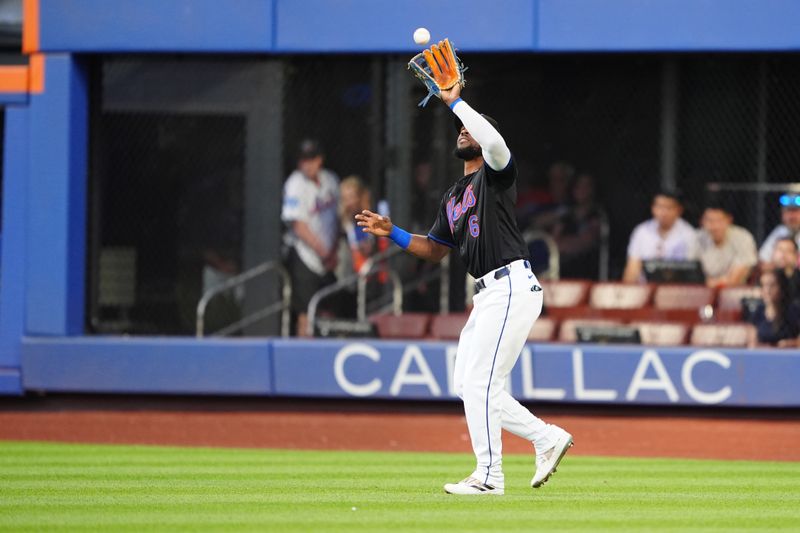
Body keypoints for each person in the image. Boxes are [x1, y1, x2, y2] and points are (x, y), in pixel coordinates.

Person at [356, 82, 572, 496]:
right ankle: (545, 438)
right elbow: (435, 250)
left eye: (469, 128)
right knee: (466, 384)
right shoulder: (454, 195)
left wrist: (456, 103)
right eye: (460, 128)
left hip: (510, 283)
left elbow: (492, 139)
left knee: (481, 384)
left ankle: (489, 476)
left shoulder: (497, 173)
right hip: (488, 293)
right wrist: (393, 232)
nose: (463, 132)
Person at [281, 139, 340, 336]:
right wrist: (324, 252)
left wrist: (333, 252)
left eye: (311, 159)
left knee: (330, 309)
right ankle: (302, 360)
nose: (306, 164)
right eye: (303, 160)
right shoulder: (295, 183)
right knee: (306, 312)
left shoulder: (331, 180)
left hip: (330, 257)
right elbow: (297, 224)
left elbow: (340, 216)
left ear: (319, 160)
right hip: (304, 255)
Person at [622, 190, 696, 283]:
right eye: (660, 207)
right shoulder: (641, 231)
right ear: (653, 208)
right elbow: (632, 267)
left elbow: (690, 271)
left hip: (677, 290)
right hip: (645, 288)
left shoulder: (689, 234)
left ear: (679, 210)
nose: (664, 212)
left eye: (669, 208)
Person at [550, 173, 605, 279]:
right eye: (578, 186)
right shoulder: (566, 215)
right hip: (562, 271)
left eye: (586, 186)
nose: (581, 190)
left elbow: (585, 243)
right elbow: (553, 243)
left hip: (588, 271)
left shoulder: (598, 215)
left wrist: (566, 243)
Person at [695, 202, 758, 288]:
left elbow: (734, 279)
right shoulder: (696, 237)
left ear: (729, 220)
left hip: (733, 292)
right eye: (709, 220)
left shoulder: (743, 237)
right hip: (701, 291)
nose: (714, 226)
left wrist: (710, 283)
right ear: (702, 221)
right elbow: (688, 274)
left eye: (719, 220)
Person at [748, 269, 800, 348]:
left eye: (772, 285)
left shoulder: (793, 310)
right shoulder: (758, 311)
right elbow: (752, 344)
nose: (767, 290)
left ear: (782, 288)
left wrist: (790, 343)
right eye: (764, 285)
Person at [758, 192, 800, 271]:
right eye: (788, 211)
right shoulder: (780, 231)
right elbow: (763, 260)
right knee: (768, 278)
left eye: (795, 211)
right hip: (782, 276)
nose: (791, 216)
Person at [771, 237, 800, 304]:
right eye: (780, 250)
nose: (783, 255)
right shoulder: (764, 278)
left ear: (796, 256)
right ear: (773, 253)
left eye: (788, 251)